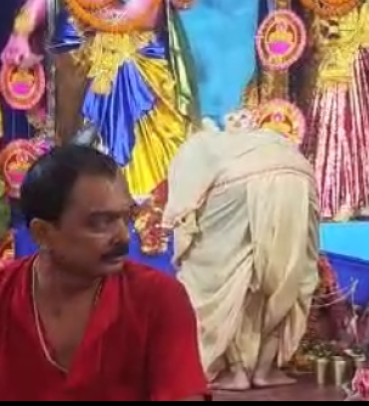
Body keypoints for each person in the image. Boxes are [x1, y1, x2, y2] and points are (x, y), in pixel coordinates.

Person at [0, 144, 208, 400]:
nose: (123, 236)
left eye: (126, 217)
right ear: (42, 233)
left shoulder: (158, 298)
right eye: (101, 222)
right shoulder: (6, 293)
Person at [164, 116, 320, 392]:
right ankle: (264, 370)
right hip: (299, 176)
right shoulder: (269, 140)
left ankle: (236, 372)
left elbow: (183, 208)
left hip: (237, 182)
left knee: (225, 278)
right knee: (288, 277)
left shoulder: (200, 144)